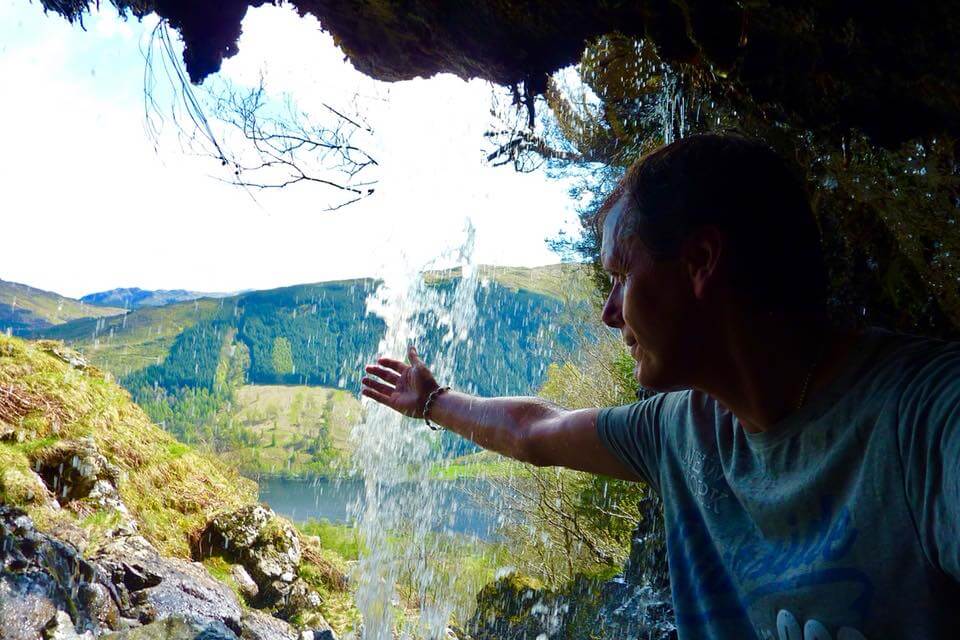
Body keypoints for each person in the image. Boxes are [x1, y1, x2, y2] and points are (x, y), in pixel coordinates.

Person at [360, 134, 960, 640]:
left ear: (700, 260)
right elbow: (532, 430)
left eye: (620, 276)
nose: (608, 312)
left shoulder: (924, 419)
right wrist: (433, 402)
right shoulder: (682, 428)